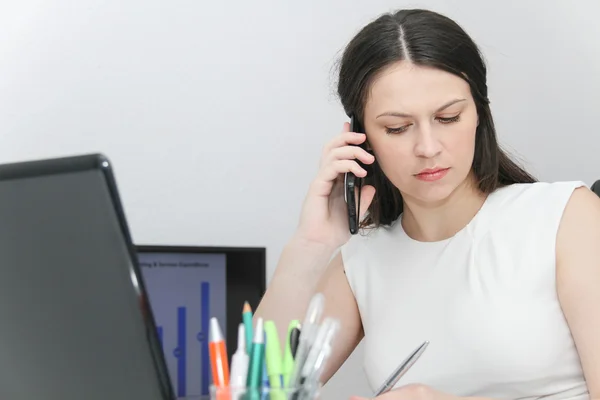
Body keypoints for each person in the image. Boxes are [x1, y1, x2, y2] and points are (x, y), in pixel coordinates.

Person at [255, 8, 600, 400]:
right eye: (397, 128)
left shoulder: (567, 218)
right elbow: (260, 392)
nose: (428, 148)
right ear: (362, 138)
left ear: (479, 114)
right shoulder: (362, 261)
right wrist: (310, 246)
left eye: (448, 117)